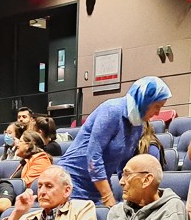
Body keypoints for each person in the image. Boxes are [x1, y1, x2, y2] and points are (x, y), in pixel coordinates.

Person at [57, 75, 171, 207]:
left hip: (97, 187)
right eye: (157, 106)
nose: (158, 113)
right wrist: (107, 196)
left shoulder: (138, 126)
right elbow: (93, 155)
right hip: (71, 182)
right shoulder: (112, 110)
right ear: (144, 100)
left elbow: (123, 165)